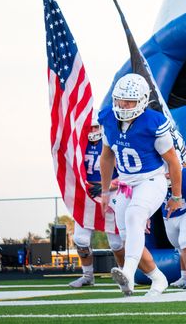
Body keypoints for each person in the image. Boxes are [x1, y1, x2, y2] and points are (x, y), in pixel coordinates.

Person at [99, 73, 183, 296]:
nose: (123, 105)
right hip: (126, 183)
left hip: (151, 180)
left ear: (143, 100)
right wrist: (105, 190)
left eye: (129, 101)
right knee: (128, 236)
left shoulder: (153, 122)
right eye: (119, 100)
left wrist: (176, 196)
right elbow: (107, 156)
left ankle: (128, 272)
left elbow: (174, 162)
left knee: (135, 215)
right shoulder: (108, 117)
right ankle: (158, 278)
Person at [69, 114, 124, 288]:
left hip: (110, 193)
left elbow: (125, 176)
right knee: (81, 239)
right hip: (87, 193)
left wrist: (105, 186)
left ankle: (125, 273)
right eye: (90, 127)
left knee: (116, 242)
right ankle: (87, 276)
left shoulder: (109, 143)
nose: (93, 131)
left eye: (95, 127)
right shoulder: (80, 145)